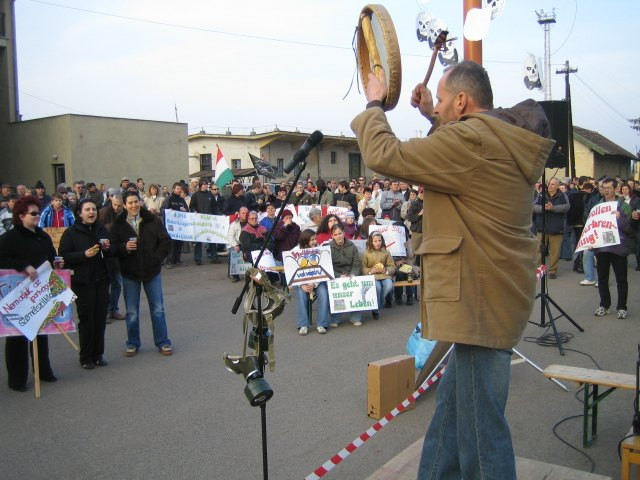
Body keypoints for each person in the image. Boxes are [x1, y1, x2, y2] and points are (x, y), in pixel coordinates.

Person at [352, 60, 554, 479]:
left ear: (462, 101)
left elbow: (385, 154)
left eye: (443, 100)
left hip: (479, 302)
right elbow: (453, 154)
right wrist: (432, 114)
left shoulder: (474, 141)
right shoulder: (493, 137)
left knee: (482, 438)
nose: (438, 107)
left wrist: (374, 102)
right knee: (451, 414)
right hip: (489, 297)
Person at [0, 196, 59, 391]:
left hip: (40, 292)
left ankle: (43, 370)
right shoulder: (10, 238)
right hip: (18, 295)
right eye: (33, 214)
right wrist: (22, 265)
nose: (37, 217)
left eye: (38, 213)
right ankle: (17, 378)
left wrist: (57, 262)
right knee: (18, 336)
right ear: (21, 215)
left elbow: (50, 256)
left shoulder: (43, 236)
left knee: (41, 333)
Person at [110, 191, 173, 357]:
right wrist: (124, 248)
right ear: (124, 205)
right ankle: (132, 343)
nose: (134, 205)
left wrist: (157, 258)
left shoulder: (153, 220)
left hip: (152, 271)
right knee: (131, 311)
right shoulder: (118, 224)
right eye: (130, 203)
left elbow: (165, 241)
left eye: (136, 202)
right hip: (130, 273)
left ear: (140, 202)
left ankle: (163, 342)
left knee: (158, 309)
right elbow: (112, 248)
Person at [59, 199, 111, 369]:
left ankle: (98, 354)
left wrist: (108, 247)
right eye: (87, 210)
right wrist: (83, 255)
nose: (92, 212)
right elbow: (64, 257)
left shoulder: (101, 229)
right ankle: (86, 357)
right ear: (79, 213)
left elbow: (110, 250)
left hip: (101, 280)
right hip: (83, 282)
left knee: (100, 318)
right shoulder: (71, 233)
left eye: (94, 209)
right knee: (87, 320)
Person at [592, 178, 633, 319]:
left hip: (619, 248)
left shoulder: (624, 206)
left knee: (621, 279)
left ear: (615, 189)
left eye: (609, 187)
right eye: (604, 187)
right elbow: (592, 226)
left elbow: (629, 228)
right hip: (602, 248)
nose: (606, 190)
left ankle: (622, 307)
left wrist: (620, 218)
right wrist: (591, 241)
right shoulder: (597, 206)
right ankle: (604, 305)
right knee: (602, 278)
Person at [291, 229, 330, 335]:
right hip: (301, 282)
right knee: (300, 294)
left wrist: (314, 283)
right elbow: (292, 271)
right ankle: (303, 324)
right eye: (312, 239)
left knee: (324, 294)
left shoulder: (319, 249)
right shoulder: (295, 251)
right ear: (305, 240)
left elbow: (323, 269)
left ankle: (322, 324)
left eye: (315, 239)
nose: (314, 241)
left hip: (317, 281)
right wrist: (302, 284)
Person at [533, 178, 569, 278]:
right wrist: (544, 208)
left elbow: (566, 207)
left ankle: (552, 271)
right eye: (549, 184)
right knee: (539, 251)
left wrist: (553, 208)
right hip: (542, 228)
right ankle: (540, 272)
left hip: (556, 228)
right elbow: (534, 207)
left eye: (553, 184)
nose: (550, 186)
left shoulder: (562, 195)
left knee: (554, 252)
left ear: (557, 186)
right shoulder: (541, 194)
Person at [328, 224, 363, 327]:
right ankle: (335, 318)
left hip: (350, 273)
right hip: (336, 275)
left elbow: (356, 264)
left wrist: (353, 274)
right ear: (332, 236)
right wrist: (338, 276)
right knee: (337, 290)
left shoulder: (352, 246)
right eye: (336, 234)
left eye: (340, 233)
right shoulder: (328, 248)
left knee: (355, 287)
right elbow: (328, 267)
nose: (338, 236)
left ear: (344, 233)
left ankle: (355, 317)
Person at [99, 194, 126, 322]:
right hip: (105, 254)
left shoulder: (124, 213)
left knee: (117, 283)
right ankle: (102, 312)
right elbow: (98, 229)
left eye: (119, 205)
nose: (117, 208)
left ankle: (113, 309)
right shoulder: (104, 212)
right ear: (111, 202)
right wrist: (112, 227)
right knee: (105, 285)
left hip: (118, 254)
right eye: (115, 205)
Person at [360, 231, 395, 320]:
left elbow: (392, 266)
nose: (378, 243)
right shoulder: (366, 253)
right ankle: (376, 310)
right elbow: (362, 267)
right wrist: (371, 271)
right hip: (372, 276)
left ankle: (377, 306)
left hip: (384, 275)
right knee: (377, 287)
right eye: (375, 241)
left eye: (379, 241)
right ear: (371, 242)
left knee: (388, 286)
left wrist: (386, 270)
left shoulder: (386, 252)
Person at [190, 179, 220, 265]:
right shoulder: (195, 195)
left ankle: (213, 256)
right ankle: (198, 258)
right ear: (200, 185)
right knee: (198, 240)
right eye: (204, 184)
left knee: (212, 239)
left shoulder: (210, 195)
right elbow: (192, 206)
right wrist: (194, 211)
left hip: (209, 220)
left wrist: (219, 215)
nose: (205, 186)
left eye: (206, 184)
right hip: (199, 221)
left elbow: (215, 207)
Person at [162, 182, 189, 268]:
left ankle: (177, 260)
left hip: (180, 226)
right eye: (177, 188)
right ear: (173, 189)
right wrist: (173, 209)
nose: (179, 190)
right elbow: (163, 209)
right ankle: (169, 261)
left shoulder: (182, 200)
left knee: (179, 243)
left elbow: (187, 210)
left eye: (180, 189)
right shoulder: (169, 198)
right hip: (171, 226)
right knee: (172, 244)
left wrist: (185, 210)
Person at [227, 207, 249, 282]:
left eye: (246, 213)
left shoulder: (251, 222)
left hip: (248, 244)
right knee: (233, 252)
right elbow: (230, 236)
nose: (245, 215)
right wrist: (235, 245)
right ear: (239, 214)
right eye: (243, 213)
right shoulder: (234, 224)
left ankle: (250, 273)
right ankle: (235, 275)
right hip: (237, 243)